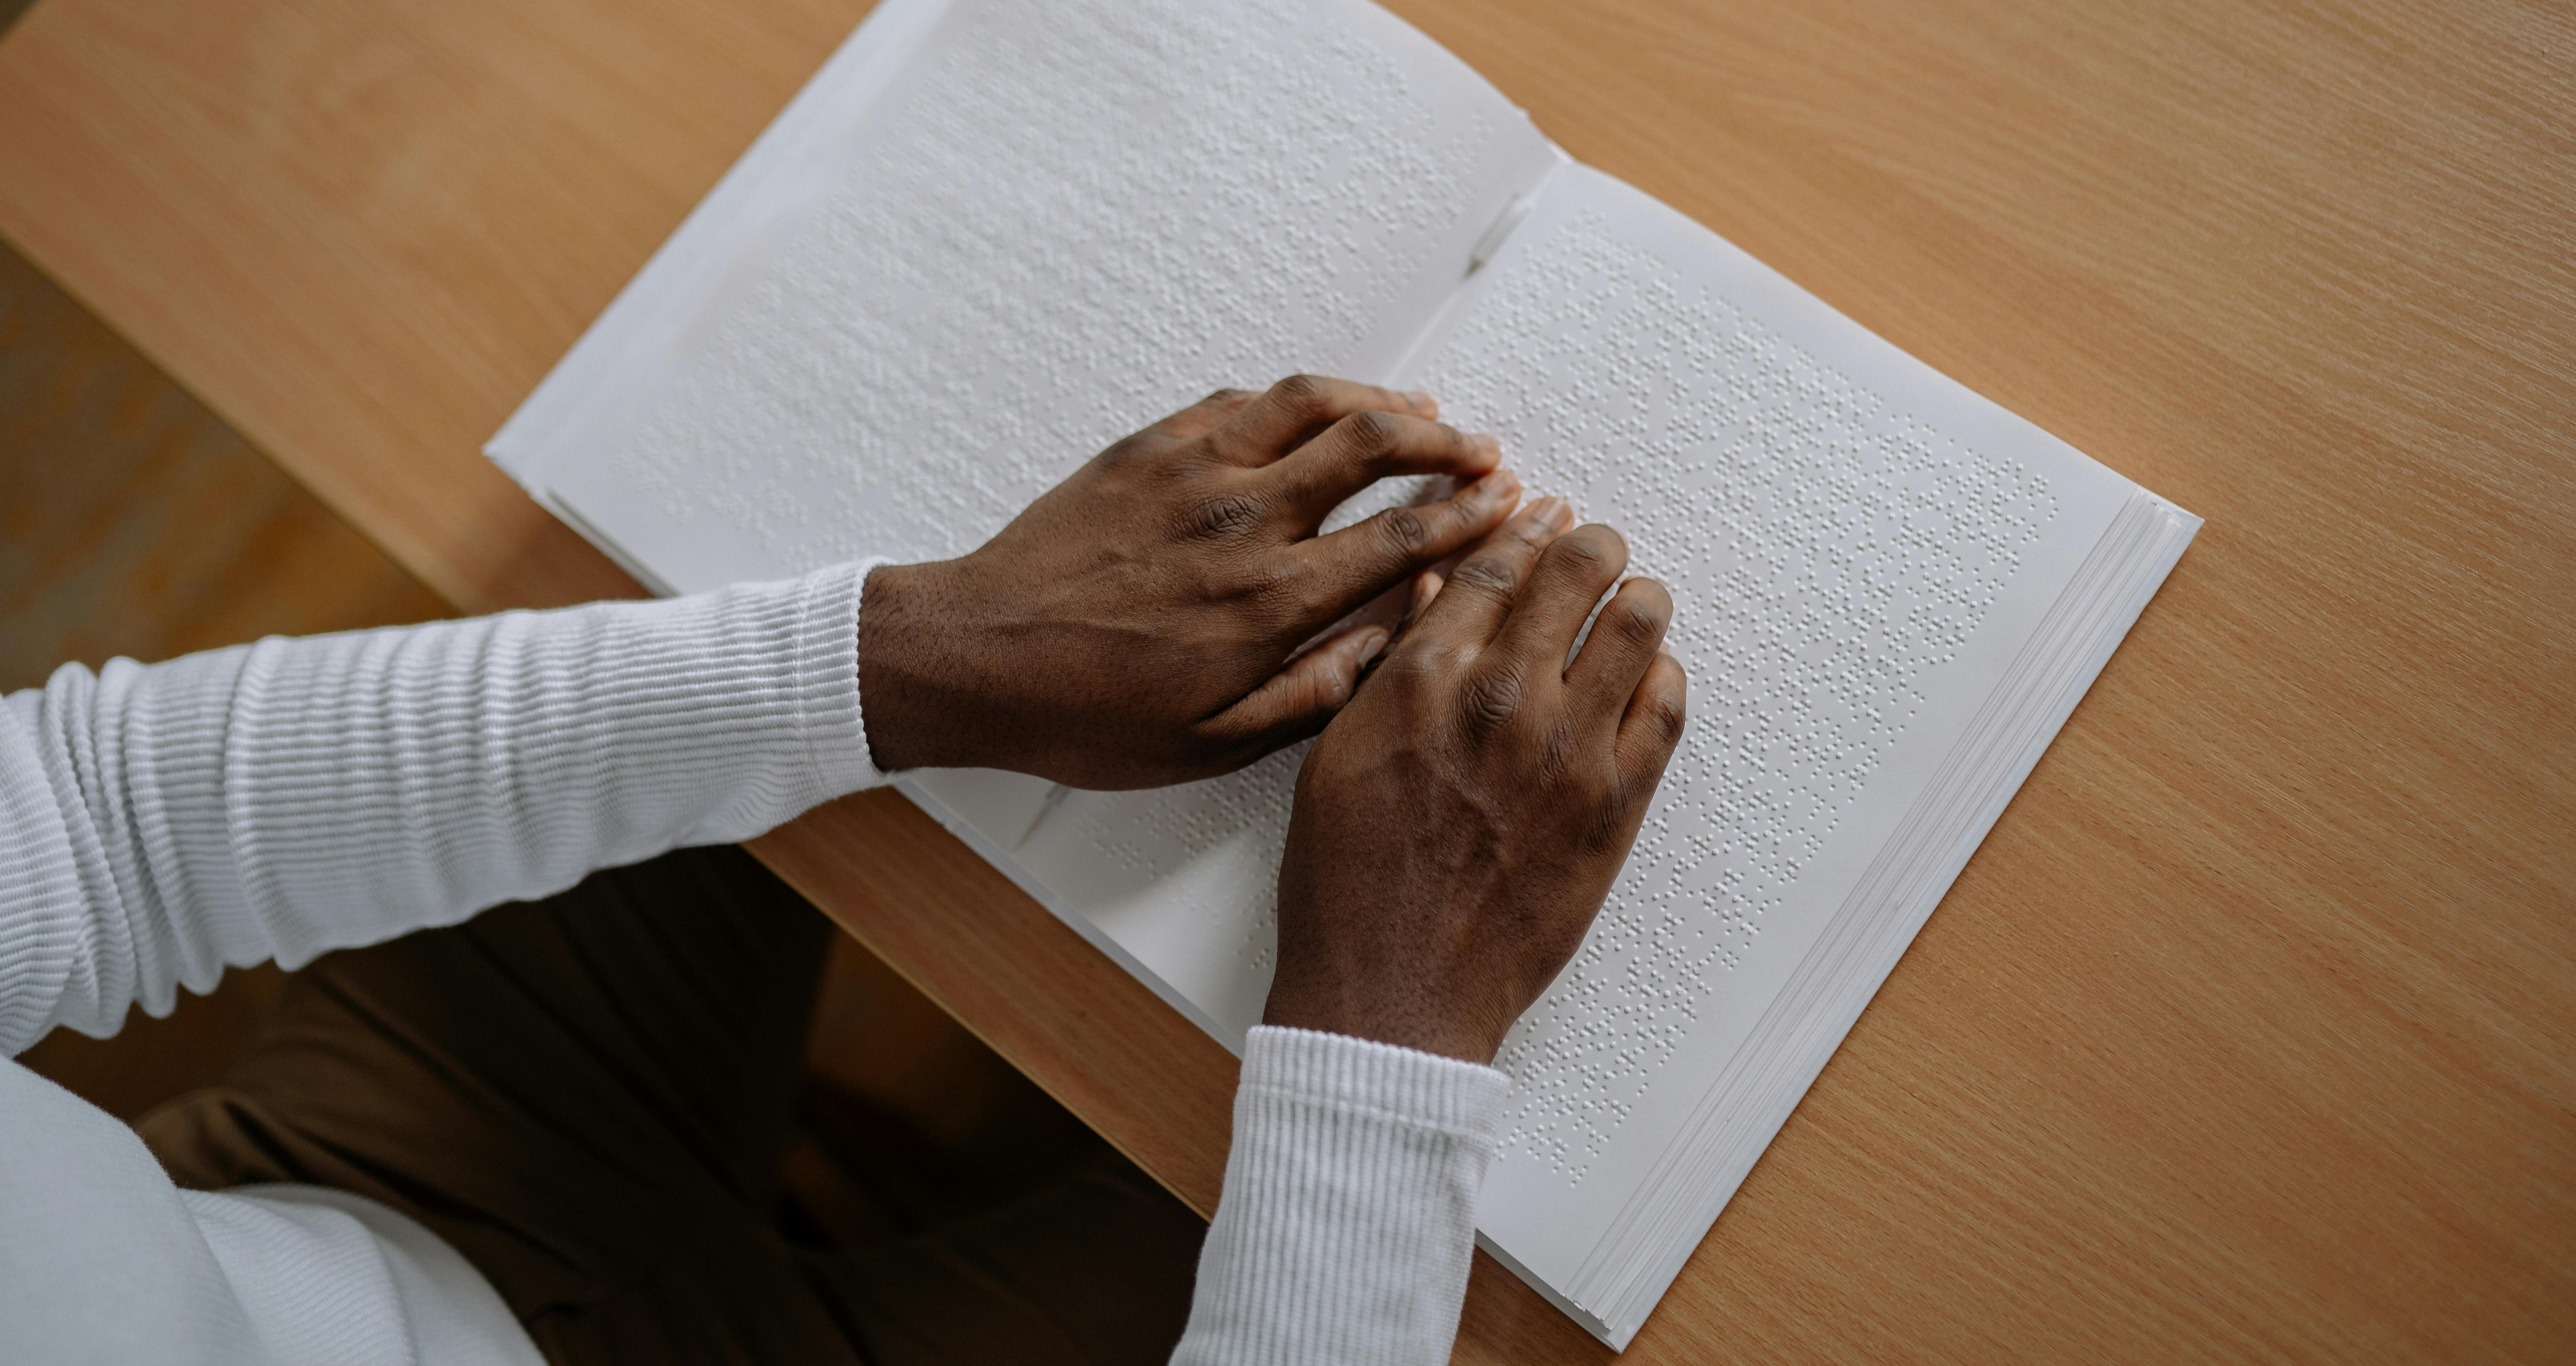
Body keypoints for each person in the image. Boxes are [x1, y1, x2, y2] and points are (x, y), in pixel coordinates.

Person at [1, 375, 1686, 1365]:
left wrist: (920, 653)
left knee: (765, 549)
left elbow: (89, 821)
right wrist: (1388, 1030)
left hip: (332, 1218)